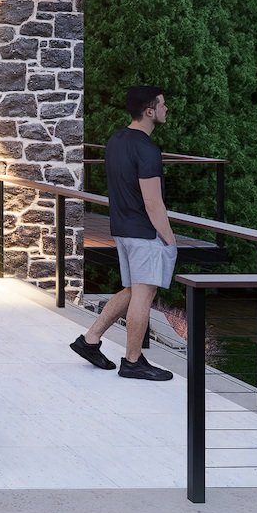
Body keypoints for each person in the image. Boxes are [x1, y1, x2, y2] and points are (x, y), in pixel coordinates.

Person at [70, 84, 176, 381]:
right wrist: (169, 238)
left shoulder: (115, 141)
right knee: (144, 294)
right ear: (149, 111)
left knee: (133, 291)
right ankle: (132, 362)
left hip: (121, 228)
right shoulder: (147, 149)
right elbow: (153, 202)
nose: (167, 109)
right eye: (163, 105)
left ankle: (90, 340)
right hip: (144, 232)